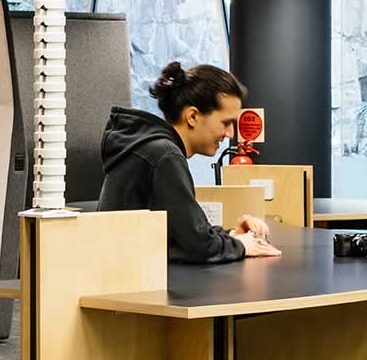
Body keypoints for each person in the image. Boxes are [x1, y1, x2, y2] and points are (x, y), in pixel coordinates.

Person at [98, 62, 281, 262]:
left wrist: (232, 236)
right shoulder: (165, 155)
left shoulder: (153, 149)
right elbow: (201, 246)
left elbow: (184, 236)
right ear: (192, 116)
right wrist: (242, 245)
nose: (230, 134)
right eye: (226, 123)